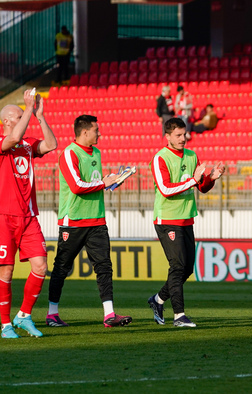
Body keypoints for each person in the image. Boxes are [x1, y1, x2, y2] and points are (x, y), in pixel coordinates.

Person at [46, 115, 133, 328]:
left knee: (104, 266)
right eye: (96, 130)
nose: (99, 133)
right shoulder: (69, 153)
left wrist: (112, 183)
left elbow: (94, 183)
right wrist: (103, 183)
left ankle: (109, 314)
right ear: (84, 132)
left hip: (96, 220)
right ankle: (52, 314)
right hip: (73, 221)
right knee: (61, 267)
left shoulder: (96, 152)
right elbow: (76, 186)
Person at [0, 89, 58, 339]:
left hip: (28, 218)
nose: (23, 121)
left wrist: (39, 116)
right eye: (19, 117)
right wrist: (27, 107)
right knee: (6, 271)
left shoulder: (27, 146)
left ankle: (24, 316)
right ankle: (6, 324)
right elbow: (13, 137)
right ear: (6, 121)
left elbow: (51, 145)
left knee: (40, 266)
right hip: (3, 218)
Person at [147, 117, 225, 327]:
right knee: (178, 265)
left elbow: (201, 186)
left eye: (184, 135)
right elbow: (165, 189)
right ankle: (179, 316)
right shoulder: (160, 158)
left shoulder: (191, 155)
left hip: (186, 218)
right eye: (178, 135)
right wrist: (192, 180)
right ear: (168, 136)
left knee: (188, 268)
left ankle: (158, 300)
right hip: (167, 219)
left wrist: (212, 178)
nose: (183, 139)